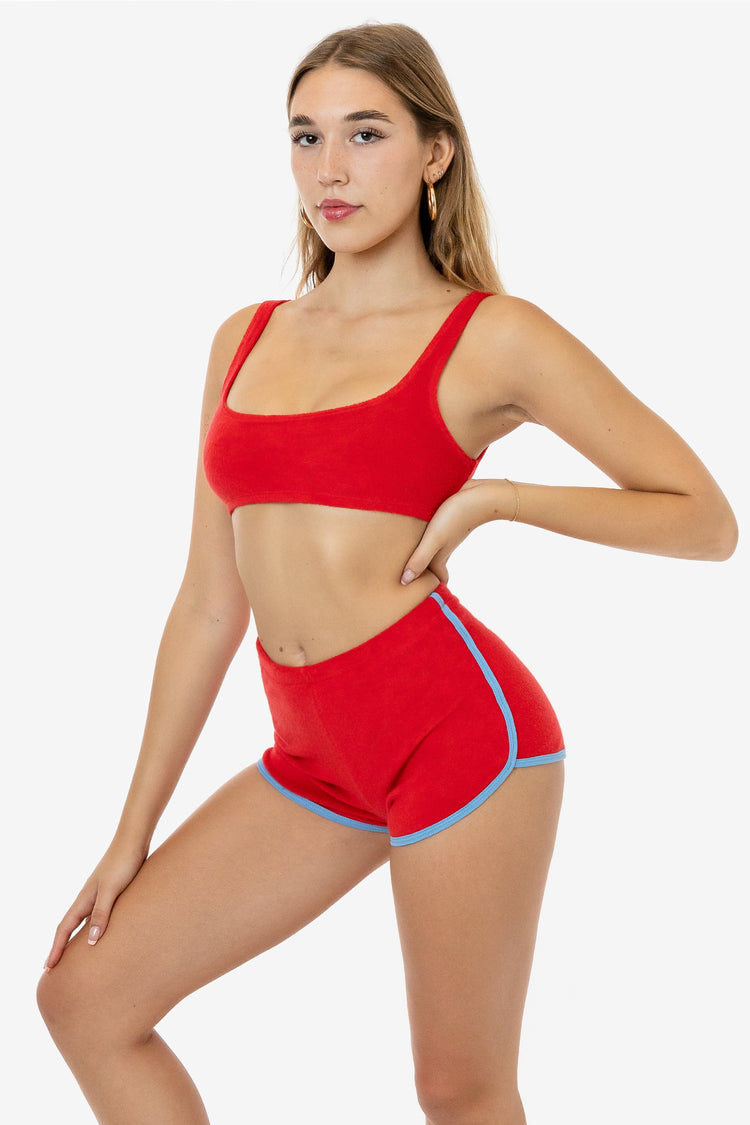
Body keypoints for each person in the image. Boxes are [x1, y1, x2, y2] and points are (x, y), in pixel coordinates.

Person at [37, 21, 737, 1125]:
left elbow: (706, 521)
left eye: (366, 134)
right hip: (314, 758)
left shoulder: (492, 335)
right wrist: (131, 835)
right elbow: (208, 604)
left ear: (434, 152)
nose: (331, 168)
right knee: (86, 998)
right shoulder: (244, 337)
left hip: (456, 739)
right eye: (306, 136)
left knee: (459, 1091)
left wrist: (501, 499)